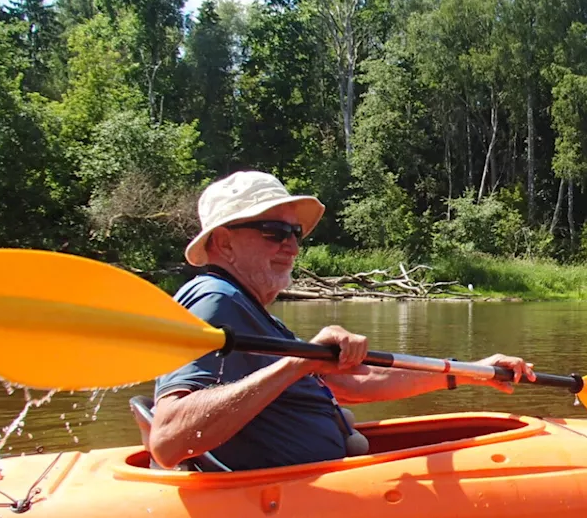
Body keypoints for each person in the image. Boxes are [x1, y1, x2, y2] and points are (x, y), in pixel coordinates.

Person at [148, 171, 534, 471]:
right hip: (282, 499)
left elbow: (350, 382)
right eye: (274, 232)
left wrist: (471, 372)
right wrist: (296, 364)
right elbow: (168, 439)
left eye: (295, 233)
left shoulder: (247, 309)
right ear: (223, 242)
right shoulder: (215, 302)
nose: (293, 246)